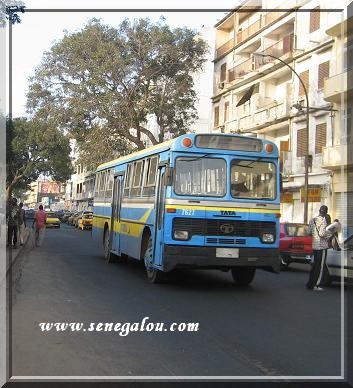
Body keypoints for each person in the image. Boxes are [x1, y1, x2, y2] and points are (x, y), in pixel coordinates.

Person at [306, 205, 330, 290]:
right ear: (326, 212)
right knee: (320, 267)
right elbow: (322, 234)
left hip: (314, 246)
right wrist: (329, 234)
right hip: (322, 247)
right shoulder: (323, 221)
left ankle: (310, 283)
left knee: (314, 266)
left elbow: (308, 232)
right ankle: (316, 285)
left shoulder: (312, 220)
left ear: (319, 211)